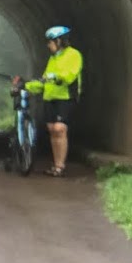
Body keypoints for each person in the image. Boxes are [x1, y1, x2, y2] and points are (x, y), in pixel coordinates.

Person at [20, 25, 83, 177]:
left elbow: (70, 75)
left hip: (66, 97)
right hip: (50, 98)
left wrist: (56, 76)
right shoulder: (52, 59)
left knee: (59, 128)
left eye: (50, 42)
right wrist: (26, 86)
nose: (48, 45)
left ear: (59, 41)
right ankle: (56, 164)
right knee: (52, 130)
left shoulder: (74, 55)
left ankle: (60, 166)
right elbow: (44, 80)